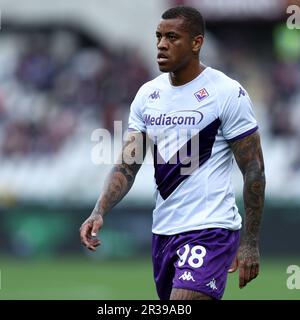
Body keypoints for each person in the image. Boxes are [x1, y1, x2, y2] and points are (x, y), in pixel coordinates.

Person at [80, 6, 266, 300]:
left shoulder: (226, 92)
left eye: (172, 37)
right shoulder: (147, 96)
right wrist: (99, 210)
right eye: (158, 36)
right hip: (164, 232)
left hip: (210, 229)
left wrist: (250, 242)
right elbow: (128, 164)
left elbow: (254, 169)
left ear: (196, 43)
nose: (161, 44)